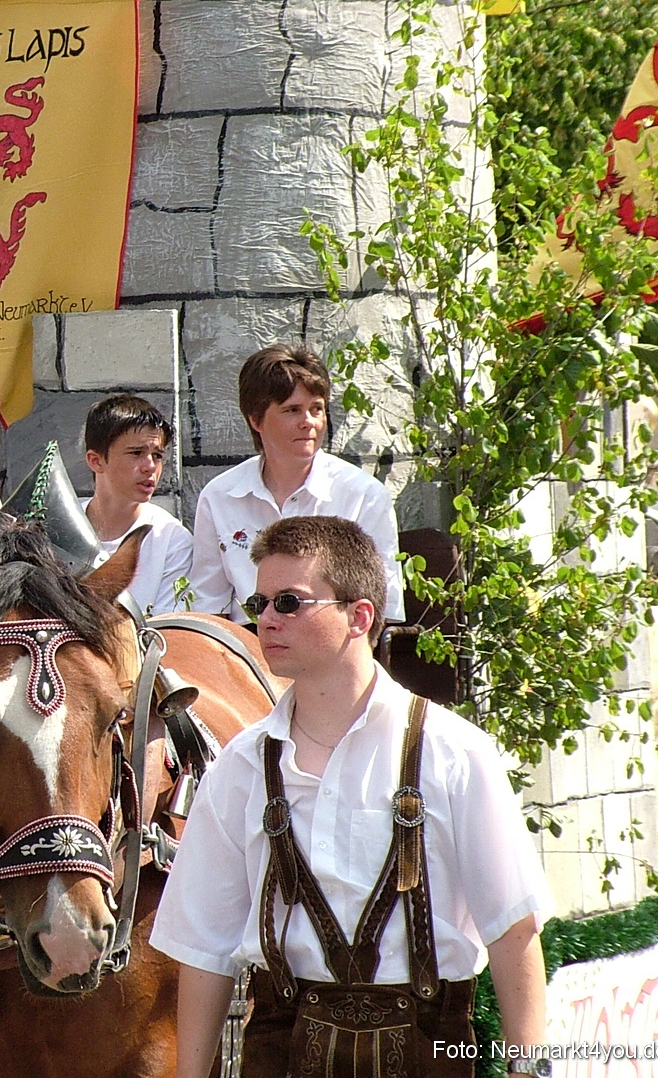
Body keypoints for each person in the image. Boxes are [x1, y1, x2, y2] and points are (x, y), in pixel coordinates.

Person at [151, 516, 553, 1078]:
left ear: (359, 616)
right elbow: (203, 950)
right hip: (279, 1052)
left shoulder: (455, 752)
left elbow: (513, 929)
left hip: (428, 1052)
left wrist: (529, 1069)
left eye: (289, 602)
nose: (266, 619)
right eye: (259, 603)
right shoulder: (239, 767)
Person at [188, 344, 404, 623]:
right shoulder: (220, 496)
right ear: (256, 420)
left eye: (317, 409)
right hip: (247, 644)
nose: (308, 422)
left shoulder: (364, 495)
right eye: (292, 410)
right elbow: (208, 607)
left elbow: (382, 611)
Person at [81, 394, 193, 614]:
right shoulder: (56, 527)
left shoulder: (172, 539)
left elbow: (166, 627)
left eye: (157, 455)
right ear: (96, 460)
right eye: (136, 453)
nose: (150, 466)